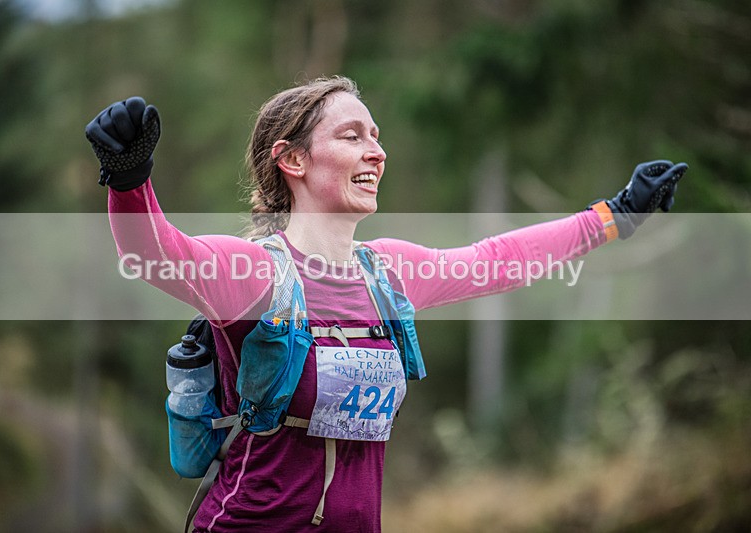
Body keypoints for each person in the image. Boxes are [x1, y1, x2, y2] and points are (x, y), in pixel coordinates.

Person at [85, 76, 687, 532]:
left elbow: (498, 258)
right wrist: (129, 176)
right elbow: (153, 251)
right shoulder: (253, 274)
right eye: (352, 136)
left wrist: (614, 216)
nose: (377, 152)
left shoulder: (389, 274)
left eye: (376, 137)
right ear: (293, 160)